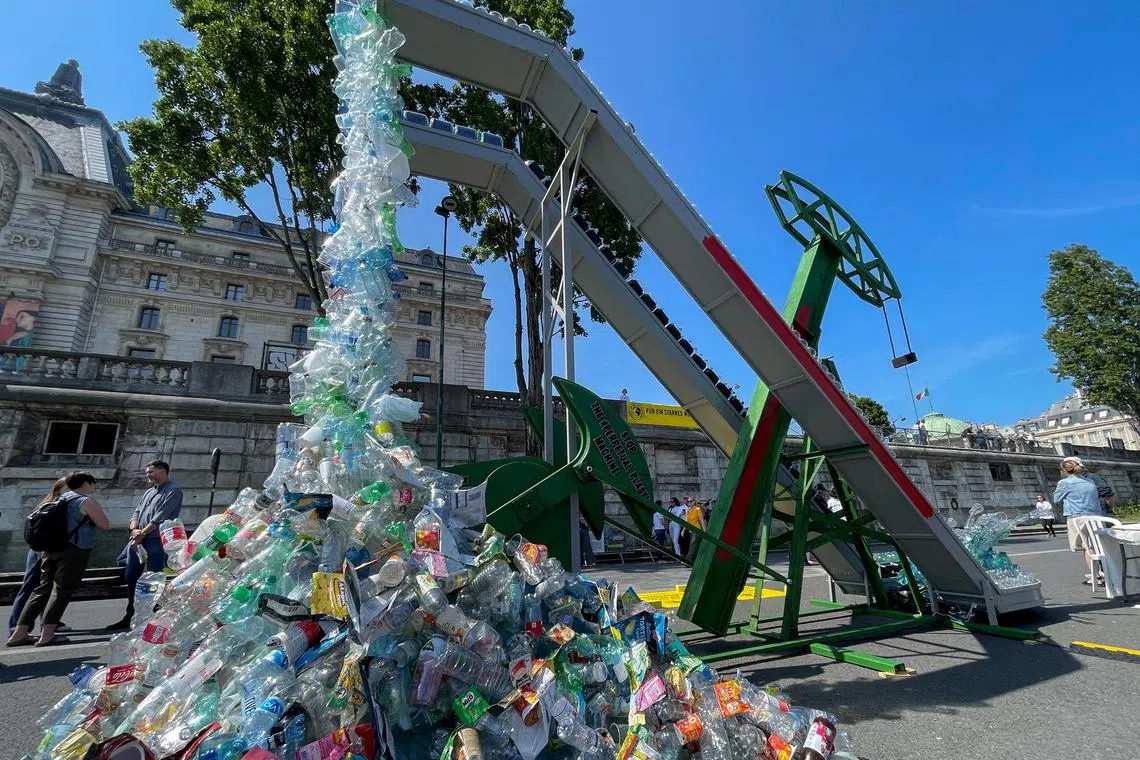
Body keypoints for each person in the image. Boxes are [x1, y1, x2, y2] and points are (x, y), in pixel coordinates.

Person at [7, 472, 109, 647]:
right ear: (85, 483)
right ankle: (47, 635)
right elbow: (104, 524)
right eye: (92, 483)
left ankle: (19, 633)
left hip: (49, 550)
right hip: (74, 549)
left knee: (41, 589)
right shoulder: (86, 501)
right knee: (61, 591)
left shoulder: (56, 500)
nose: (94, 486)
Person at [106, 460, 183, 631]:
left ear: (163, 471)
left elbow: (160, 517)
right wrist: (134, 530)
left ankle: (150, 614)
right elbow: (137, 512)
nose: (148, 475)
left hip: (155, 540)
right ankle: (131, 614)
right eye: (147, 472)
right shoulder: (149, 492)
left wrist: (142, 534)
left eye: (151, 472)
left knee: (153, 578)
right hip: (138, 540)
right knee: (131, 576)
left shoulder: (173, 491)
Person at [8, 478, 71, 635]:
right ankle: (16, 625)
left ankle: (49, 621)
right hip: (43, 551)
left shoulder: (58, 505)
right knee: (31, 586)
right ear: (58, 490)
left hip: (48, 550)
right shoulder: (52, 506)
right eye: (69, 488)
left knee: (47, 586)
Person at [1053, 457, 1108, 584]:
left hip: (1078, 516)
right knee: (1097, 545)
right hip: (1096, 516)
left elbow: (1056, 499)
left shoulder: (1065, 483)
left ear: (1064, 470)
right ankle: (1102, 572)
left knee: (1087, 547)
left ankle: (1096, 577)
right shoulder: (1090, 481)